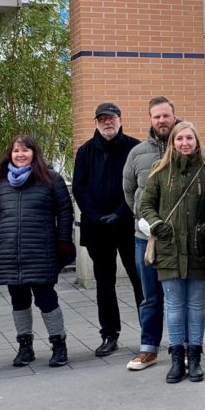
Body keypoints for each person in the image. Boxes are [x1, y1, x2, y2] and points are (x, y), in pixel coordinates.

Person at [0, 136, 75, 368]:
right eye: (16, 151)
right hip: (10, 252)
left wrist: (64, 241)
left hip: (41, 250)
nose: (20, 154)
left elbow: (65, 212)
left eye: (25, 150)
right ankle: (25, 347)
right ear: (10, 155)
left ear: (35, 153)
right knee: (19, 300)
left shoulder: (51, 179)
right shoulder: (1, 183)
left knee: (46, 299)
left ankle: (59, 344)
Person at [139, 122, 205, 384]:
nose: (185, 143)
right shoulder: (160, 171)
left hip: (198, 248)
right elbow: (146, 204)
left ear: (197, 141)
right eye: (180, 138)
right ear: (172, 142)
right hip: (169, 248)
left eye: (189, 138)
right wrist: (157, 223)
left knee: (196, 306)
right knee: (173, 307)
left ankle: (194, 357)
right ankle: (176, 359)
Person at [72, 102, 141, 357]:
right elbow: (79, 187)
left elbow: (138, 185)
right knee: (104, 283)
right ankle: (109, 334)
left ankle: (149, 334)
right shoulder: (86, 151)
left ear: (120, 119)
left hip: (128, 225)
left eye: (111, 118)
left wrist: (121, 213)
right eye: (102, 119)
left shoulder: (134, 147)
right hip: (97, 228)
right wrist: (96, 216)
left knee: (139, 280)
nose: (107, 122)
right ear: (96, 122)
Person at [122, 96, 177, 372]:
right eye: (156, 116)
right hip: (146, 239)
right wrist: (142, 219)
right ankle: (149, 349)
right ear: (150, 119)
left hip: (179, 238)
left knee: (181, 296)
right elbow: (129, 191)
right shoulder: (137, 152)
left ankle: (185, 348)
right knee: (151, 296)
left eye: (166, 115)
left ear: (174, 116)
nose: (161, 121)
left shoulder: (187, 146)